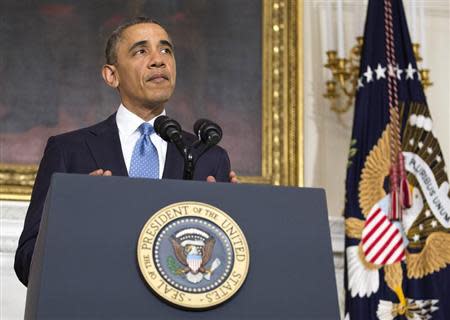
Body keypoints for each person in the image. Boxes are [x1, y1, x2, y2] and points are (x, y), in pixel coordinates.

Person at [14, 17, 237, 286]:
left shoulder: (209, 157)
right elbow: (27, 263)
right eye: (141, 51)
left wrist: (243, 216)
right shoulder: (68, 151)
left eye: (166, 50)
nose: (159, 60)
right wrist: (75, 219)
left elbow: (229, 266)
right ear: (112, 75)